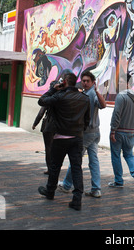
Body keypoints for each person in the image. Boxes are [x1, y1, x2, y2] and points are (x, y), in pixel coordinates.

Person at [37, 73, 90, 211]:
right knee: (77, 168)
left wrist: (54, 89)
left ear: (64, 82)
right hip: (77, 138)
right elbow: (87, 120)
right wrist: (79, 130)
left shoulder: (59, 96)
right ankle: (77, 200)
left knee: (55, 167)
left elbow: (42, 101)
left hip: (60, 137)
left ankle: (50, 192)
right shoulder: (84, 98)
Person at [59, 71, 106, 198]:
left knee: (76, 159)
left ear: (93, 82)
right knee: (93, 161)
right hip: (95, 132)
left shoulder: (92, 94)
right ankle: (96, 189)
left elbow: (103, 105)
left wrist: (96, 91)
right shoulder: (85, 93)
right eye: (83, 81)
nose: (85, 83)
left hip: (87, 133)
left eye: (87, 81)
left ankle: (67, 185)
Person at [108, 73, 134, 191]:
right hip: (130, 131)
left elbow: (116, 114)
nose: (119, 85)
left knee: (116, 155)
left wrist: (113, 130)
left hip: (119, 131)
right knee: (129, 154)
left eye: (121, 82)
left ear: (127, 83)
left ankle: (118, 181)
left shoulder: (121, 96)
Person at [32, 106, 53, 175]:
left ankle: (50, 168)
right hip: (61, 127)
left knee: (48, 148)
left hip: (49, 126)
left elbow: (41, 113)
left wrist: (35, 123)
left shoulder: (49, 98)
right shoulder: (64, 98)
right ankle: (55, 167)